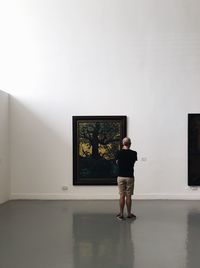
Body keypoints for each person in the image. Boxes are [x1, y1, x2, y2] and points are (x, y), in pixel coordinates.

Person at [116, 137, 137, 220]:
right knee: (128, 196)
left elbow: (117, 162)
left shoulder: (118, 152)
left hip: (121, 176)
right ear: (130, 144)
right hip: (130, 177)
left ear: (123, 144)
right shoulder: (134, 153)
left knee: (122, 195)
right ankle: (129, 214)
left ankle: (121, 214)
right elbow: (133, 162)